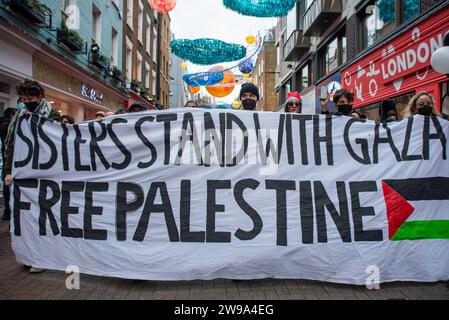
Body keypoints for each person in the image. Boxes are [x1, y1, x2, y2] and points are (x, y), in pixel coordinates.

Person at [4, 79, 60, 274]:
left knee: (42, 219)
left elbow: (59, 141)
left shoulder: (50, 115)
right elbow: (11, 146)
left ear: (40, 97)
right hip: (23, 176)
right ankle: (29, 255)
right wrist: (9, 171)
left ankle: (42, 258)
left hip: (45, 175)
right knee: (25, 220)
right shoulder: (18, 117)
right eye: (24, 98)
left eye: (31, 98)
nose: (27, 101)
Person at [0, 107, 17, 221]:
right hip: (10, 162)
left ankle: (8, 211)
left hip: (7, 161)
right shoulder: (8, 126)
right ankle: (9, 212)